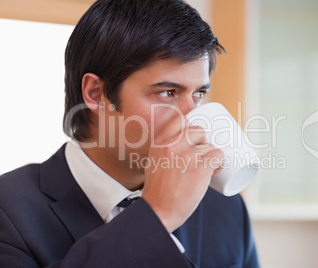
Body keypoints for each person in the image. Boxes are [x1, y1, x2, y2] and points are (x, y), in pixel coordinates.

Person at [0, 0, 260, 267]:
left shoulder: (225, 208)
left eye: (199, 94)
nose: (191, 119)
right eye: (168, 92)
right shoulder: (9, 211)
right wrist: (155, 217)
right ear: (96, 94)